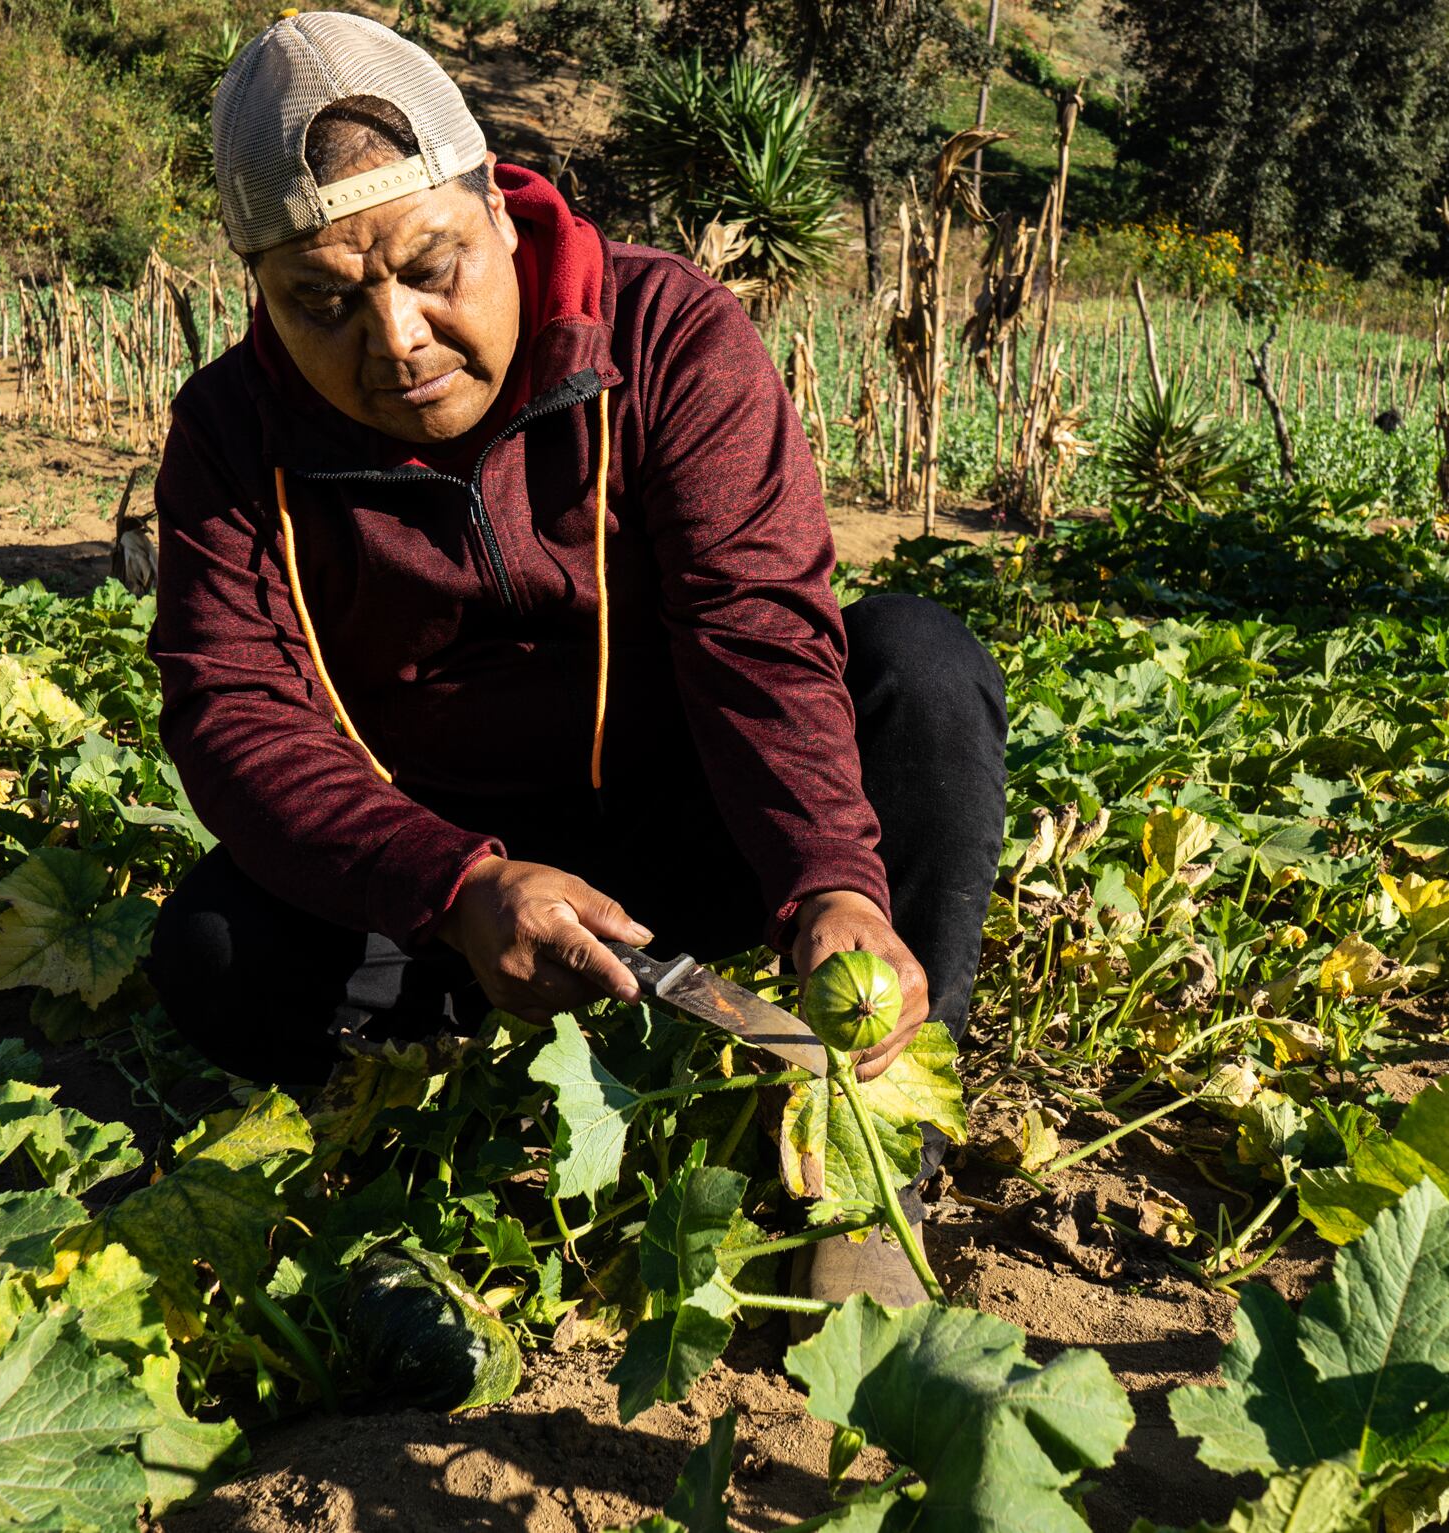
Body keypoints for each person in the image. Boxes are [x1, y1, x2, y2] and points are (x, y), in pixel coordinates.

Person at [146, 12, 1005, 1305]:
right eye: (322, 302)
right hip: (466, 893)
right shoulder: (231, 434)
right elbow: (236, 719)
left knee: (920, 669)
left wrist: (829, 877)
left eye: (430, 267)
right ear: (259, 292)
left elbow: (754, 626)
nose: (395, 338)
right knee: (217, 949)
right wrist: (456, 883)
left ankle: (879, 1126)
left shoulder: (661, 333)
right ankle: (490, 1083)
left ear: (497, 206)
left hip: (702, 828)